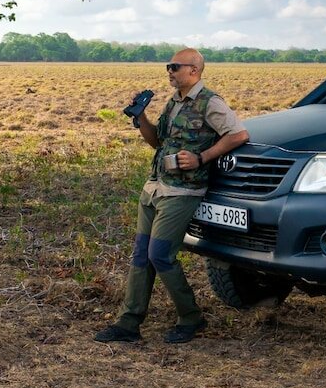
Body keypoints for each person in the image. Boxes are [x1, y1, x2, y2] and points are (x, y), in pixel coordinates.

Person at [95, 48, 249, 344]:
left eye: (175, 66)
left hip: (182, 192)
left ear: (194, 70)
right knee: (141, 255)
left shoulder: (210, 102)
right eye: (168, 66)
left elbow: (238, 135)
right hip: (155, 187)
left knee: (160, 255)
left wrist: (202, 157)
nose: (169, 71)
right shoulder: (173, 102)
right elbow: (158, 142)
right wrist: (141, 117)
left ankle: (191, 317)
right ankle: (128, 323)